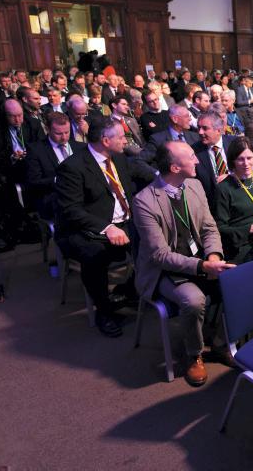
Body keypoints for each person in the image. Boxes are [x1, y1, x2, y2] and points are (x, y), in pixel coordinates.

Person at [133, 141, 236, 386]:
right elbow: (159, 255)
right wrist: (203, 267)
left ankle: (220, 343)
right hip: (165, 270)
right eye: (191, 157)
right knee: (194, 301)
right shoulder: (144, 201)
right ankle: (194, 354)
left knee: (235, 282)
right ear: (175, 168)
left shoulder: (195, 185)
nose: (198, 160)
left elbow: (209, 227)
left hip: (200, 259)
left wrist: (213, 256)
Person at [55, 116, 154, 338]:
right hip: (86, 229)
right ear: (105, 140)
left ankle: (129, 290)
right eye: (121, 137)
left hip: (124, 222)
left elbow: (137, 179)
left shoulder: (118, 158)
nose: (125, 141)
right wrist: (106, 227)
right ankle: (104, 311)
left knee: (156, 239)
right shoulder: (72, 167)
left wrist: (161, 179)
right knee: (95, 256)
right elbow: (71, 211)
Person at [25, 112, 86, 220]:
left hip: (83, 197)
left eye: (67, 132)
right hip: (55, 200)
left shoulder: (81, 147)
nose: (64, 137)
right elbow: (33, 182)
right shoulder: (36, 150)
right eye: (58, 133)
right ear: (47, 129)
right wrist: (56, 180)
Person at [193, 111, 236, 206]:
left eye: (205, 128)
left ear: (219, 130)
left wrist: (232, 176)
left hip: (238, 195)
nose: (200, 132)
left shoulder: (235, 143)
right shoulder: (194, 151)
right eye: (199, 128)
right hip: (213, 204)